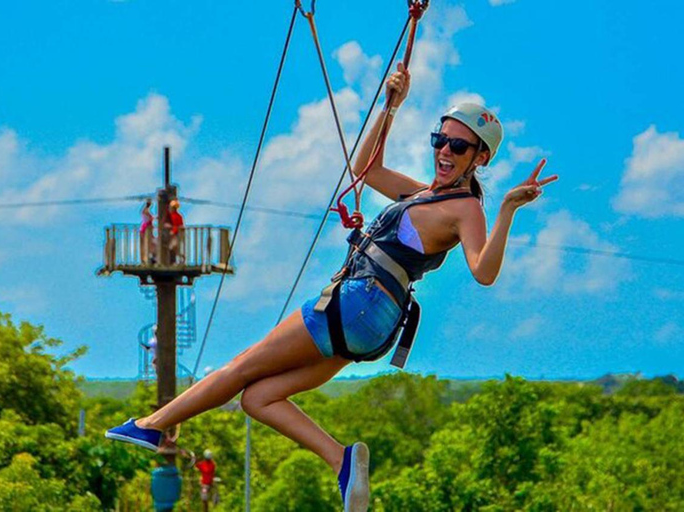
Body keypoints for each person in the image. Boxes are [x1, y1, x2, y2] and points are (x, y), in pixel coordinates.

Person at [106, 62, 558, 512]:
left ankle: (155, 424)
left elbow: (484, 271)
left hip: (359, 305)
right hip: (372, 326)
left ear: (480, 158)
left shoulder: (467, 209)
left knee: (243, 366)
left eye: (458, 146)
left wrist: (508, 211)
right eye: (440, 140)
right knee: (259, 398)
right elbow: (364, 168)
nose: (444, 151)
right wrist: (390, 107)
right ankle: (341, 460)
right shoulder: (425, 194)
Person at [164, 199, 185, 264]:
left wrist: (173, 231)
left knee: (172, 247)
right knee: (173, 248)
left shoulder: (177, 216)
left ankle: (174, 261)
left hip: (177, 234)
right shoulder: (172, 215)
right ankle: (176, 260)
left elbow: (178, 226)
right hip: (174, 235)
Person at [140, 198, 155, 265]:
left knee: (151, 243)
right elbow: (147, 216)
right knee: (147, 243)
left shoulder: (146, 211)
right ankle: (146, 258)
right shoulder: (145, 211)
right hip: (146, 229)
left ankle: (150, 257)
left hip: (148, 229)